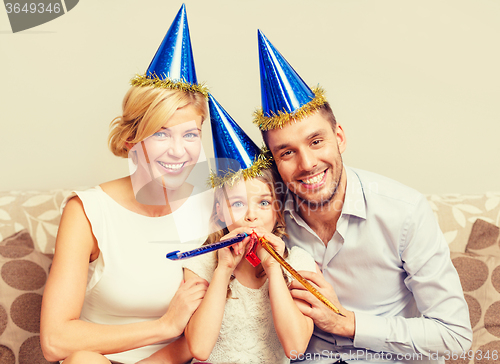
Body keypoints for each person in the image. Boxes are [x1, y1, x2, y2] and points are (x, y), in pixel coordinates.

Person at [253, 30, 473, 363]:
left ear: (339, 137)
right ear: (274, 162)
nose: (307, 163)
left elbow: (454, 336)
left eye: (316, 142)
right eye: (287, 152)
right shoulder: (268, 215)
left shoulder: (405, 212)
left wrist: (349, 323)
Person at [40, 5, 212, 364]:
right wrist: (164, 326)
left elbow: (219, 321)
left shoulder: (214, 206)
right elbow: (56, 341)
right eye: (161, 134)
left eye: (191, 134)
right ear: (132, 140)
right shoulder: (87, 210)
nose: (179, 151)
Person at [149, 94, 317, 364]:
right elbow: (200, 349)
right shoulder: (203, 262)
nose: (251, 215)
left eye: (263, 203)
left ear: (278, 212)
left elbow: (295, 347)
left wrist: (274, 268)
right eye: (237, 203)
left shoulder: (298, 262)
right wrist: (223, 269)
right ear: (219, 213)